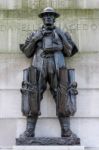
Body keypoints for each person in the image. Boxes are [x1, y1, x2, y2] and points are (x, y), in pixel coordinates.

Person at [20, 7, 78, 139]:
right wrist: (35, 39)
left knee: (62, 95)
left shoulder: (61, 33)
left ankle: (66, 131)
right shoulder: (35, 33)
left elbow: (69, 52)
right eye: (46, 15)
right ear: (42, 18)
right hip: (39, 66)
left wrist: (61, 39)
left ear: (55, 18)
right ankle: (29, 131)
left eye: (51, 16)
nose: (48, 17)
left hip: (57, 66)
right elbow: (27, 52)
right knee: (32, 95)